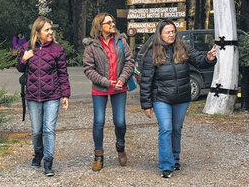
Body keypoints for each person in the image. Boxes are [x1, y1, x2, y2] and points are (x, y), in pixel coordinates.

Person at [139, 19, 217, 178]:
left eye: (173, 31)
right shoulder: (152, 52)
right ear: (160, 34)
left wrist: (208, 58)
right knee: (166, 129)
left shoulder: (183, 47)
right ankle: (166, 166)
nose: (171, 35)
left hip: (181, 97)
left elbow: (199, 60)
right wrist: (146, 104)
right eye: (167, 32)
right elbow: (146, 80)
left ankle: (175, 159)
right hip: (161, 98)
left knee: (176, 129)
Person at [15, 16, 70, 177]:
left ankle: (48, 161)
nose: (50, 32)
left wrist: (65, 94)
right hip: (32, 96)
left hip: (52, 95)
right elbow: (19, 67)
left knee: (49, 129)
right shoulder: (27, 47)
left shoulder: (57, 49)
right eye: (47, 30)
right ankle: (38, 153)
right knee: (36, 131)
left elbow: (63, 74)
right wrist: (24, 59)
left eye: (51, 29)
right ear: (37, 32)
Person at [83, 13, 135, 171]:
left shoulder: (121, 41)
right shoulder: (91, 46)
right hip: (100, 89)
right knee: (99, 122)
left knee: (120, 121)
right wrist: (106, 82)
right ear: (100, 26)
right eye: (108, 22)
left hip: (120, 88)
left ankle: (120, 146)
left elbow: (129, 62)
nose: (113, 24)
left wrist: (122, 79)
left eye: (113, 21)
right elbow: (88, 69)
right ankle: (98, 155)